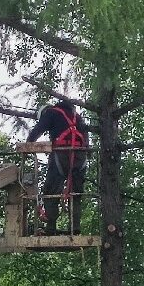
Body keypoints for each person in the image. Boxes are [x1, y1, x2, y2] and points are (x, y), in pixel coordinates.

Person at [26, 99, 89, 235]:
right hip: (80, 157)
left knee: (51, 190)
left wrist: (28, 145)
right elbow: (86, 137)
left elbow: (37, 131)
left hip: (62, 154)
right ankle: (75, 228)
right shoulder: (76, 116)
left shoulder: (50, 113)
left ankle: (51, 228)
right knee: (76, 193)